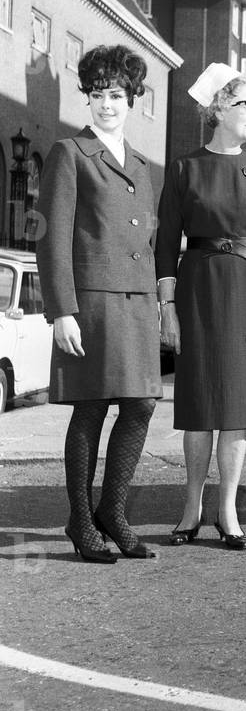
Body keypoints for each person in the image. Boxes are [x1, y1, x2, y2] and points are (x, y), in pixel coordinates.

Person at [156, 63, 246, 550]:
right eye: (245, 105)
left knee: (236, 406)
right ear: (217, 110)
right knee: (197, 403)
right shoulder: (184, 168)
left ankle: (227, 509)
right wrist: (167, 307)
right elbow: (166, 242)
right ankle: (191, 505)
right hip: (197, 289)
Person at [34, 45, 160, 563]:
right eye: (96, 95)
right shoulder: (70, 154)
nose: (106, 104)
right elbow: (51, 237)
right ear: (86, 98)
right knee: (91, 407)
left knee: (142, 403)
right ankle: (82, 521)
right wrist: (61, 310)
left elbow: (146, 243)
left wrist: (155, 303)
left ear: (131, 99)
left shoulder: (144, 166)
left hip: (135, 306)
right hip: (90, 305)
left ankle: (113, 509)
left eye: (115, 95)